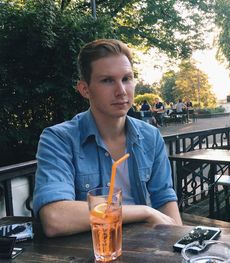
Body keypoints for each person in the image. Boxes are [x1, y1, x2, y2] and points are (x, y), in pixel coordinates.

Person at [33, 39, 182, 237]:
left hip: (144, 249)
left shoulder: (150, 136)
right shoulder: (59, 139)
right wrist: (144, 211)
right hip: (88, 252)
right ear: (85, 89)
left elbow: (165, 200)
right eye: (107, 80)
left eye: (127, 78)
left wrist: (180, 247)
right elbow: (55, 217)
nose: (121, 91)